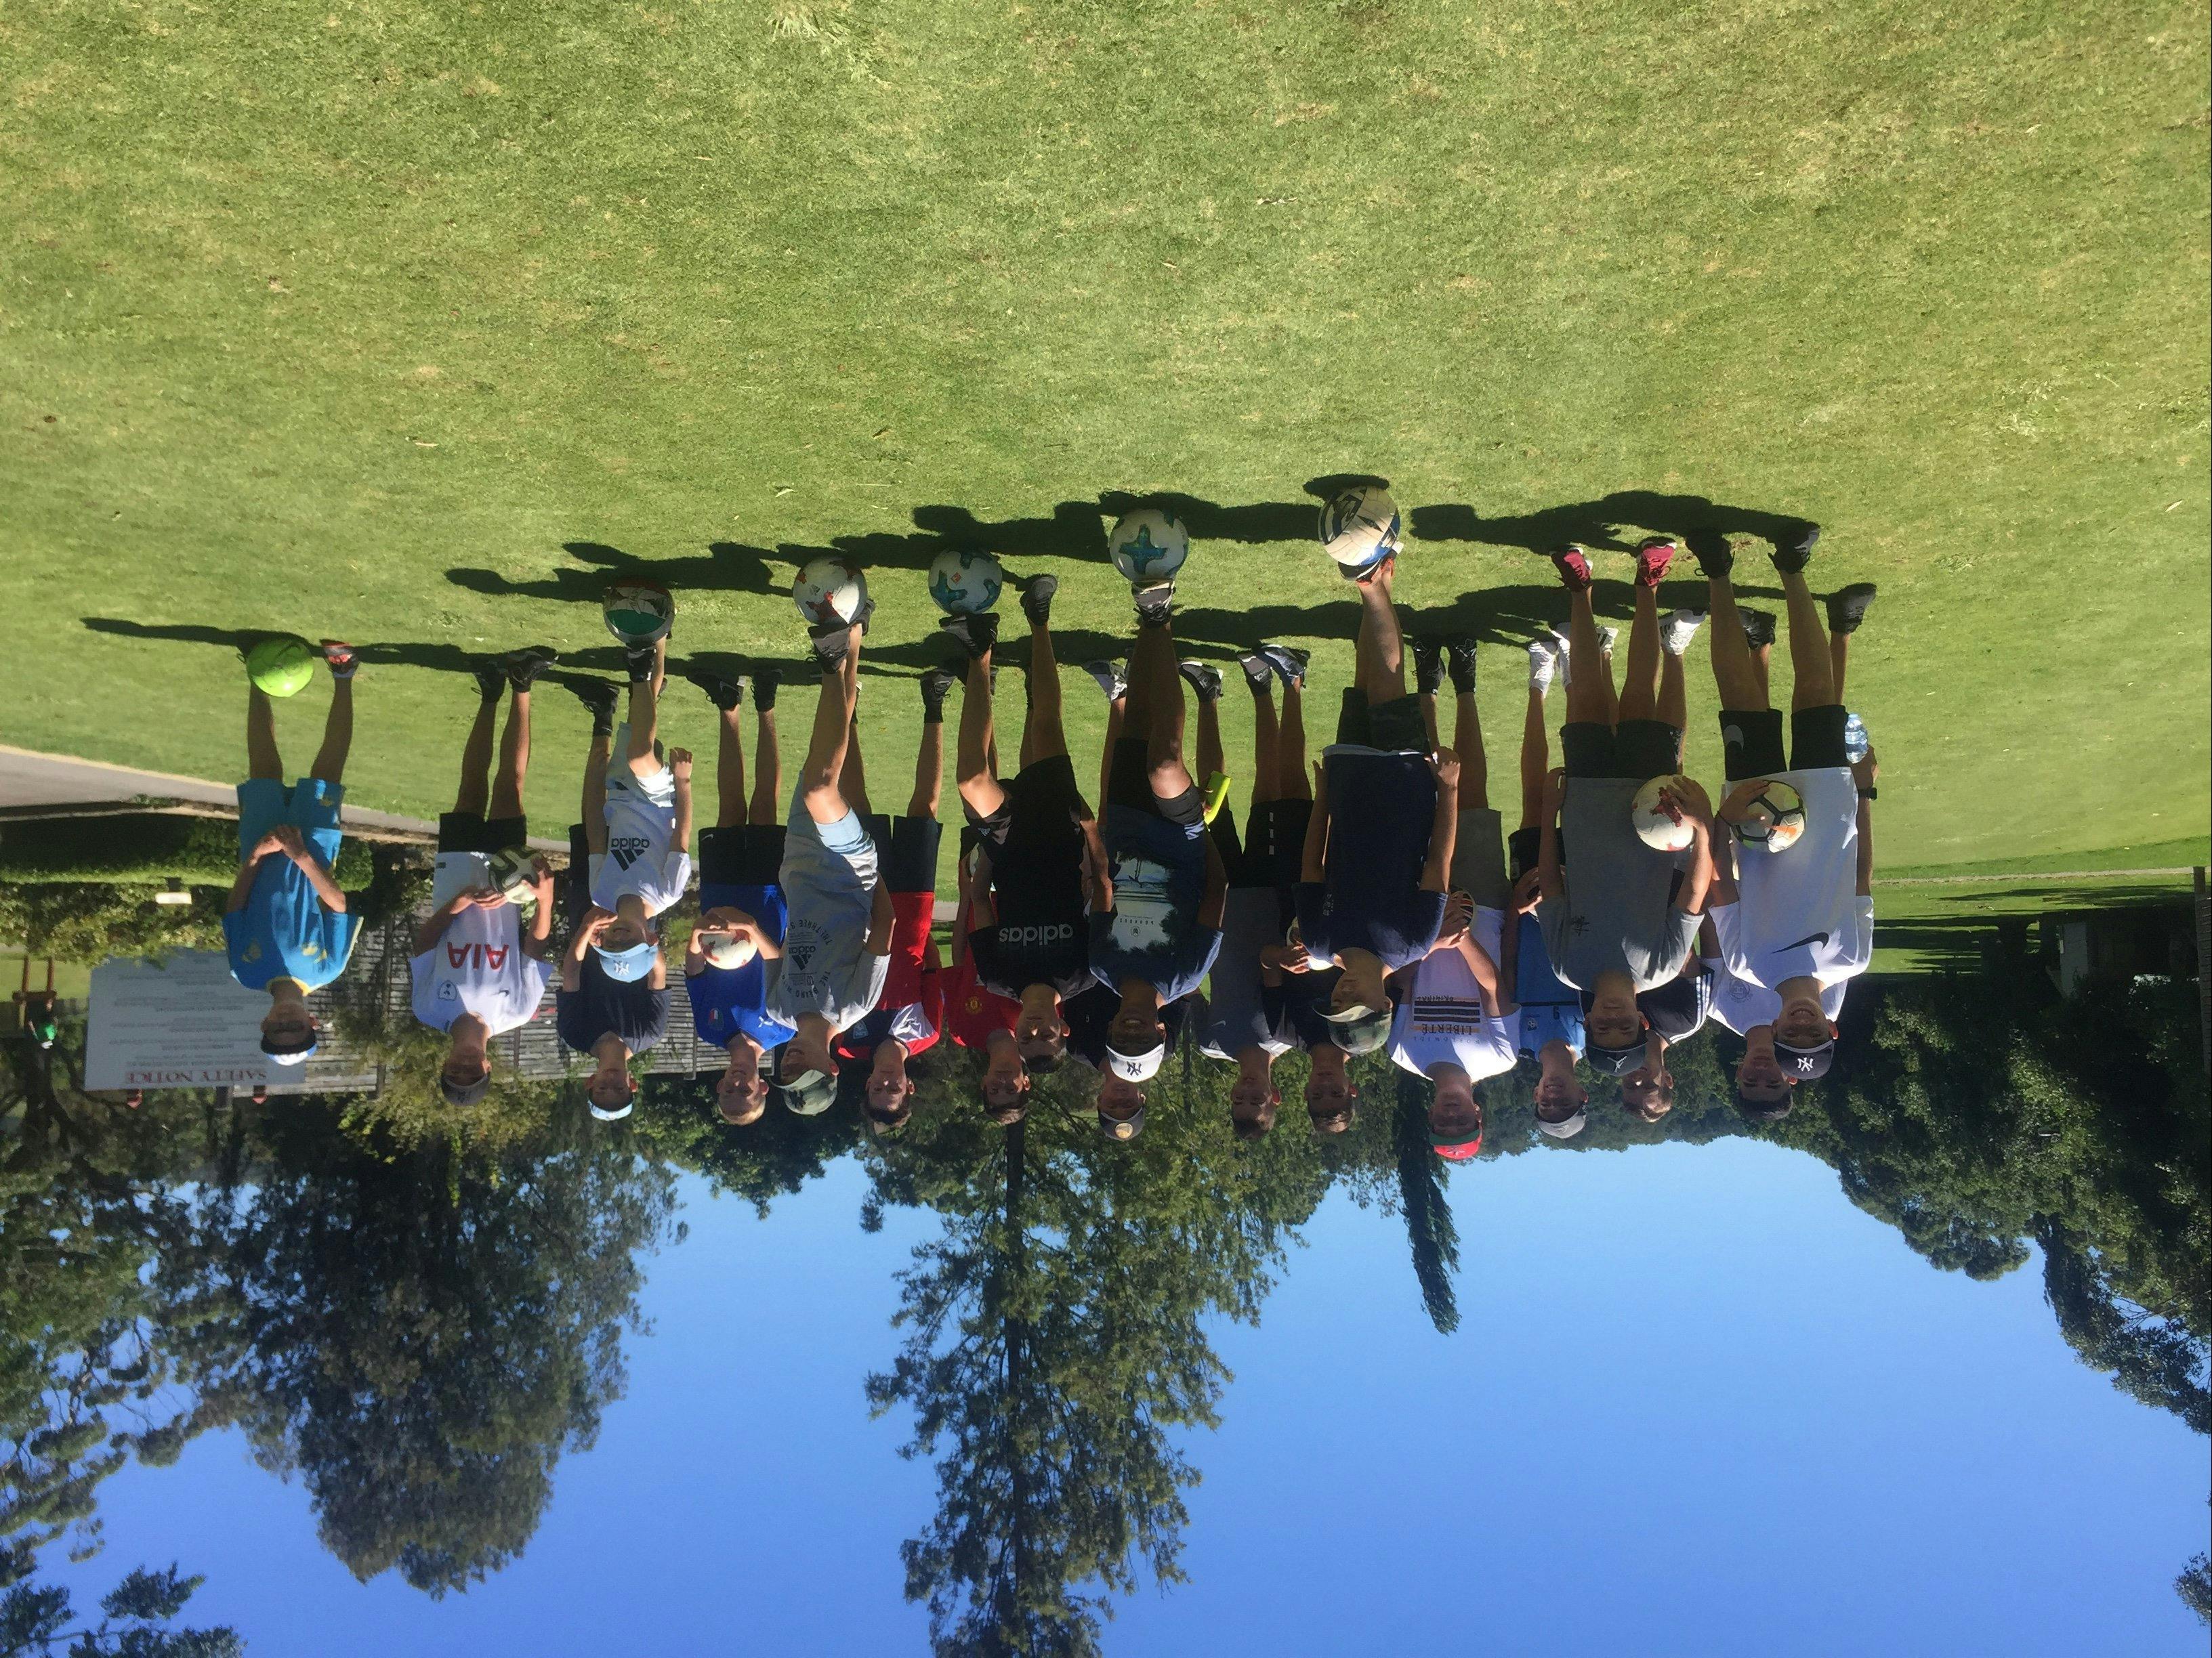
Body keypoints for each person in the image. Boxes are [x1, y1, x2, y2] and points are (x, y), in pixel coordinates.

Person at [1700, 529, 1879, 1113]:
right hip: (1827, 802)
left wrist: (1722, 823)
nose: (1799, 1026)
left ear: (1775, 1030)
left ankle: (1716, 571)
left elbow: (1721, 888)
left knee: (1738, 695)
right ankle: (1791, 566)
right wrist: (1864, 795)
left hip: (1753, 814)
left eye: (1788, 1036)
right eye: (1811, 1036)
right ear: (1830, 1032)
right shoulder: (1852, 960)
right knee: (1816, 689)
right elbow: (1860, 878)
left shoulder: (1748, 967)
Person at [1535, 538, 1715, 1077]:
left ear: (1586, 1024)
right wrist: (1702, 830)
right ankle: (1647, 584)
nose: (1611, 1020)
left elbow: (1551, 885)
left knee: (1588, 690)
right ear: (1641, 1023)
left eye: (1600, 1029)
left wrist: (1549, 813)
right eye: (1623, 1028)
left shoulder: (1569, 969)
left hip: (1585, 798)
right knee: (1640, 687)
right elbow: (1691, 894)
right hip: (1649, 799)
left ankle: (1580, 589)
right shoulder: (1660, 970)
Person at [1295, 547, 1455, 1058]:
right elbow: (1438, 862)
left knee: (1366, 678)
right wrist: (1449, 790)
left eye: (1336, 1003)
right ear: (1384, 1004)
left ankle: (1379, 584)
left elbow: (1311, 864)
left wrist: (1323, 798)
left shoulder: (1321, 942)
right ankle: (1369, 584)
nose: (1343, 995)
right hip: (1403, 784)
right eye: (1356, 1004)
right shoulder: (1412, 942)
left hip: (1348, 785)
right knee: (1388, 684)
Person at [1085, 566, 1227, 1139]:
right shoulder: (1185, 974)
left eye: (1124, 1036)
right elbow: (1216, 893)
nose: (1135, 1029)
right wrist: (1200, 830)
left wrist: (1093, 834)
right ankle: (1159, 613)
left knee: (1138, 722)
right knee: (1164, 762)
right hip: (1179, 837)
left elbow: (1100, 890)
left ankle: (1148, 620)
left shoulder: (1102, 965)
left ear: (1114, 1028)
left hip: (1121, 827)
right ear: (1162, 1034)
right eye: (1144, 1038)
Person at [948, 577, 1099, 1070]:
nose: (1036, 1029)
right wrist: (1092, 833)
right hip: (1058, 834)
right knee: (1044, 724)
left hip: (1009, 844)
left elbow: (978, 902)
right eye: (1047, 1037)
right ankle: (1038, 618)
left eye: (1027, 1037)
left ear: (1015, 1031)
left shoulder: (996, 977)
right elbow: (1099, 887)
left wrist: (989, 852)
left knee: (973, 779)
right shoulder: (1084, 972)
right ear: (1063, 1030)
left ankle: (981, 651)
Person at [409, 650, 560, 1105]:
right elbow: (535, 950)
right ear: (487, 1069)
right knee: (510, 785)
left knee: (471, 786)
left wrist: (456, 905)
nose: (463, 1067)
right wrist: (545, 898)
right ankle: (521, 683)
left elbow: (423, 946)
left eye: (454, 1073)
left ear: (443, 1066)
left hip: (456, 876)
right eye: (471, 1075)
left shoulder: (428, 1009)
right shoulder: (517, 1011)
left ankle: (489, 691)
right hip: (508, 884)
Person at [766, 590, 894, 1113]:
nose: (792, 1067)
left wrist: (735, 935)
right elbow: (884, 928)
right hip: (848, 868)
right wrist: (870, 871)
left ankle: (854, 636)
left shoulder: (776, 1010)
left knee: (824, 762)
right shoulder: (855, 1004)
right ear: (832, 1067)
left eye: (786, 1076)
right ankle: (830, 659)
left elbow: (774, 947)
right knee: (822, 784)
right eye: (805, 1075)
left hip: (797, 857)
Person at [1388, 635, 1514, 1162]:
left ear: (1431, 1117)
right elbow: (1493, 985)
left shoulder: (1402, 1052)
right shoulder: (1500, 1057)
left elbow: (1402, 977)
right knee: (1474, 793)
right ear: (1476, 1116)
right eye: (1461, 1122)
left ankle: (1425, 684)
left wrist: (1432, 938)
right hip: (1481, 906)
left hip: (1422, 910)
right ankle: (1464, 683)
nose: (1450, 1115)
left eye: (1442, 1123)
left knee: (1424, 798)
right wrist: (1459, 937)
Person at [224, 638, 362, 1067]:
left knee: (263, 765)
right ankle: (343, 675)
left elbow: (235, 908)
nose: (287, 1024)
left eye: (278, 1031)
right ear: (312, 1024)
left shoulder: (244, 973)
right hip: (314, 850)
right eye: (296, 1030)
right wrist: (302, 855)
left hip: (261, 847)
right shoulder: (327, 971)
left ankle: (258, 672)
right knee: (329, 767)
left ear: (264, 1027)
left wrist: (258, 856)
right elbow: (337, 905)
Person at [1199, 643, 1314, 1138]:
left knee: (1208, 796)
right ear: (1275, 1097)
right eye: (1257, 1101)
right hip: (1271, 890)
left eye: (1239, 1101)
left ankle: (1207, 695)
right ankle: (1274, 686)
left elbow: (1182, 989)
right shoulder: (1288, 1034)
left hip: (1221, 893)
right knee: (1271, 785)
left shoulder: (1210, 1042)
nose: (1247, 1093)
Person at [830, 673, 953, 1135]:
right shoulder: (928, 1034)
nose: (886, 1085)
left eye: (877, 1092)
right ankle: (934, 700)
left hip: (863, 903)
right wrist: (916, 933)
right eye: (894, 1091)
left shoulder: (846, 1042)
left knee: (855, 804)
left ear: (866, 1090)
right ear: (908, 1088)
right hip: (915, 902)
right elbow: (933, 970)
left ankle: (849, 707)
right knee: (926, 804)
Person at [682, 666, 791, 1127]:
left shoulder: (710, 1027)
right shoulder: (783, 1027)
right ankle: (766, 703)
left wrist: (698, 932)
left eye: (728, 1092)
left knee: (729, 805)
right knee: (764, 802)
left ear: (720, 1084)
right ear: (762, 1088)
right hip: (766, 899)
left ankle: (729, 704)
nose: (737, 1087)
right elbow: (779, 960)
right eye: (745, 1094)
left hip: (721, 898)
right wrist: (750, 929)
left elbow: (693, 968)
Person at [558, 678, 672, 1122]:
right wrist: (646, 936)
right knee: (640, 816)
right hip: (637, 917)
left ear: (590, 1083)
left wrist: (588, 927)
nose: (609, 1084)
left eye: (601, 1090)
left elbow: (570, 973)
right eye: (618, 1091)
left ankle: (602, 719)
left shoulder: (575, 1033)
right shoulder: (650, 1032)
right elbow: (658, 974)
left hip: (592, 918)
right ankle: (646, 700)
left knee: (594, 820)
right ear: (631, 1084)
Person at [1503, 636, 1589, 1139]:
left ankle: (1538, 682)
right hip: (1576, 896)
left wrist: (1516, 908)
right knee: (1575, 796)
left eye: (1546, 1107)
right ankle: (1576, 668)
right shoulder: (1599, 1039)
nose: (1553, 1100)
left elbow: (1507, 964)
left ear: (1535, 1097)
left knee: (1534, 795)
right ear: (1583, 1097)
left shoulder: (1516, 1040)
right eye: (1565, 1107)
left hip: (1529, 894)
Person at [588, 637, 692, 991]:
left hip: (618, 795)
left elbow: (595, 835)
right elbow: (681, 837)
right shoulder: (668, 893)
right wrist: (683, 782)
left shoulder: (600, 893)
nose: (619, 938)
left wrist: (594, 785)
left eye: (612, 946)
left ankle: (657, 642)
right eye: (628, 945)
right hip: (659, 800)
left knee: (640, 709)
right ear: (649, 938)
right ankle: (637, 662)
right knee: (639, 754)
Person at [942, 839, 1028, 1123]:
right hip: (1020, 898)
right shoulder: (1040, 1033)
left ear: (983, 1083)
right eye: (1010, 1089)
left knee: (980, 809)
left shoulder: (962, 1031)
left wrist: (965, 892)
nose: (1002, 1082)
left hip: (979, 894)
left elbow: (959, 956)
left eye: (994, 1089)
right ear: (1026, 1083)